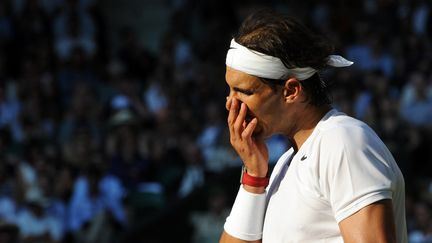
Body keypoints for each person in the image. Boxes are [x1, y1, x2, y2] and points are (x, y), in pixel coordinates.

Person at [219, 9, 408, 243]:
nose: (230, 103)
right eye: (229, 90)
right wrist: (254, 177)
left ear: (290, 91)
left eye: (244, 91)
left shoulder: (342, 140)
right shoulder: (284, 165)